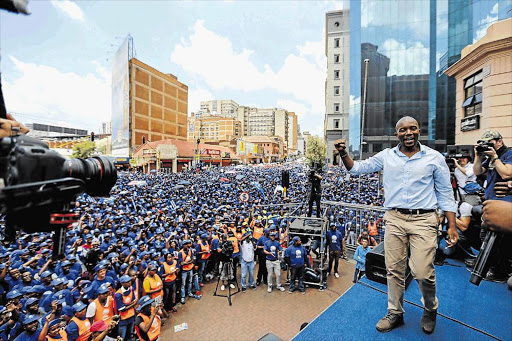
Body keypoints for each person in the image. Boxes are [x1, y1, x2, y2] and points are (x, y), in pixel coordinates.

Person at [335, 116, 458, 335]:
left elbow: (446, 193)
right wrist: (344, 154)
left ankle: (430, 308)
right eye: (403, 130)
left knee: (422, 272)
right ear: (396, 134)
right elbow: (356, 169)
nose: (408, 133)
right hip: (395, 218)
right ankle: (395, 312)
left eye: (412, 128)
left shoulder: (434, 157)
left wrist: (452, 225)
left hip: (424, 219)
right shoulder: (387, 156)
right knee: (394, 270)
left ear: (419, 130)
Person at [473, 130, 512, 282]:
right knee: (486, 237)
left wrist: (495, 157)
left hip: (503, 205)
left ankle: (500, 270)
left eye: (490, 142)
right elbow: (477, 171)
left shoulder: (508, 153)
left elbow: (506, 174)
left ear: (499, 141)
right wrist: (478, 155)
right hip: (491, 203)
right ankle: (494, 267)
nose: (487, 146)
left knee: (497, 240)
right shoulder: (489, 157)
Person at [115, 275, 138, 341]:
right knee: (122, 337)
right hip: (123, 319)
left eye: (129, 281)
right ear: (122, 283)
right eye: (127, 281)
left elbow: (133, 300)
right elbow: (122, 309)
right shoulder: (118, 294)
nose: (129, 282)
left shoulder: (131, 289)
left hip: (131, 316)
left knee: (130, 335)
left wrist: (127, 305)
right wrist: (132, 304)